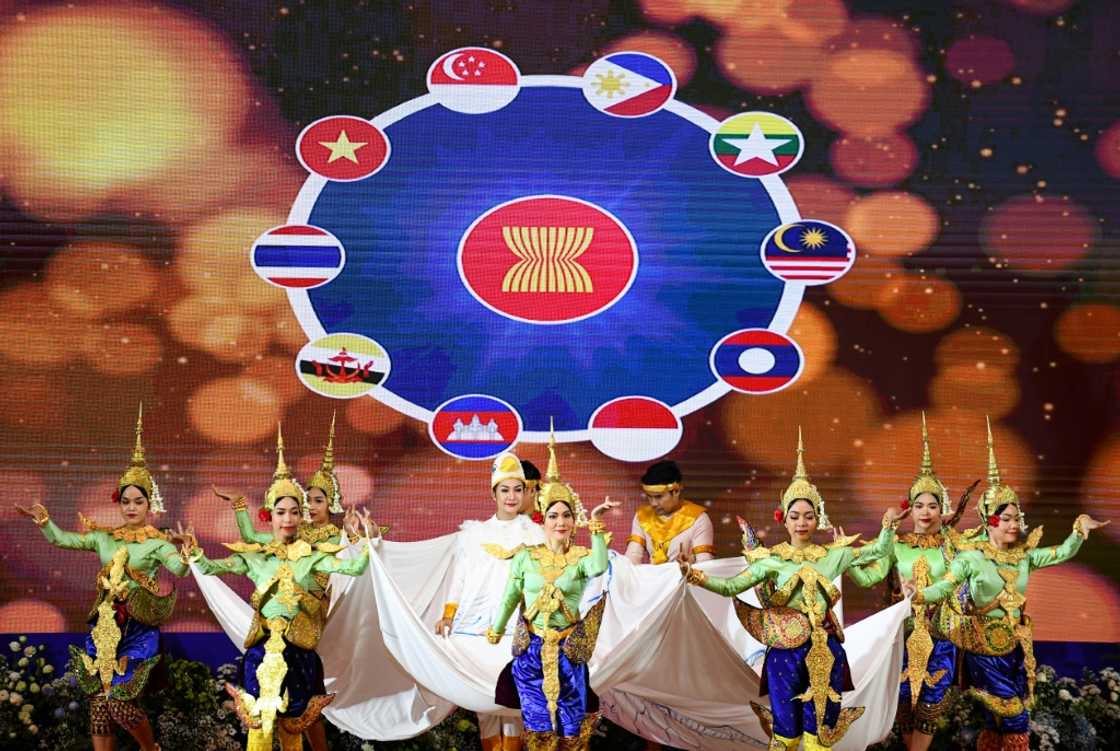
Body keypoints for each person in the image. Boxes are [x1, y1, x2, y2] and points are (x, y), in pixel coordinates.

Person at [679, 428, 909, 751]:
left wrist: (887, 526)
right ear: (783, 519)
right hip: (784, 654)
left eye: (809, 516)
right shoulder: (771, 560)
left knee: (819, 739)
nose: (802, 522)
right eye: (795, 516)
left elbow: (876, 553)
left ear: (818, 519)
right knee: (786, 735)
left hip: (825, 651)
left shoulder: (833, 555)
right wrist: (693, 575)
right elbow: (732, 585)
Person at [902, 419, 1108, 751]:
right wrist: (919, 593)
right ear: (989, 521)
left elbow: (1061, 553)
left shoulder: (1023, 556)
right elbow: (945, 586)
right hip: (980, 649)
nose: (1015, 525)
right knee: (1014, 716)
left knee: (998, 720)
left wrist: (1078, 529)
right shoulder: (971, 558)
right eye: (1007, 519)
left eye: (1017, 518)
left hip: (1012, 647)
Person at [179, 427, 373, 751]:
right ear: (270, 516)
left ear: (301, 516)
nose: (289, 519)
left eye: (295, 512)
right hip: (262, 651)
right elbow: (215, 567)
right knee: (258, 727)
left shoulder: (312, 556)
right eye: (281, 512)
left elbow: (353, 568)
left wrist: (363, 541)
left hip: (298, 651)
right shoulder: (256, 557)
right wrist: (196, 553)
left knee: (291, 729)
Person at [16, 406, 187, 751]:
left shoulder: (157, 542)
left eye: (139, 501)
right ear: (119, 503)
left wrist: (186, 554)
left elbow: (179, 569)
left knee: (120, 701)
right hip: (105, 625)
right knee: (98, 706)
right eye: (126, 501)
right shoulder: (104, 537)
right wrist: (44, 520)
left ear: (150, 504)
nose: (131, 507)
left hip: (137, 629)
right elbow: (62, 540)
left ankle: (149, 748)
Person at [847, 413, 977, 751]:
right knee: (903, 704)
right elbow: (869, 577)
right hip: (901, 635)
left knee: (930, 706)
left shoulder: (954, 546)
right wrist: (845, 560)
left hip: (940, 635)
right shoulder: (898, 544)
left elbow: (958, 581)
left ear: (942, 510)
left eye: (932, 505)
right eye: (918, 504)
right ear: (910, 509)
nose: (925, 511)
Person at [489, 432, 618, 751]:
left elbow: (600, 566)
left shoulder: (582, 558)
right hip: (531, 648)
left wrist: (598, 526)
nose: (560, 522)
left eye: (567, 515)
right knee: (537, 726)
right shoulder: (525, 556)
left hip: (568, 650)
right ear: (543, 519)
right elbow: (510, 596)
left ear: (575, 521)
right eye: (553, 515)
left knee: (571, 727)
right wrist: (496, 628)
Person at [435, 451, 547, 751]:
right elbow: (459, 577)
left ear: (525, 493)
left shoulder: (537, 535)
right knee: (483, 702)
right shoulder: (473, 534)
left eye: (518, 489)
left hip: (518, 628)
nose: (512, 497)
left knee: (513, 700)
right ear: (493, 493)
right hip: (475, 626)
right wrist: (448, 613)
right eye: (505, 489)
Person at [624, 460, 714, 565]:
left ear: (676, 491)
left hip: (684, 579)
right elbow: (633, 556)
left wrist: (691, 562)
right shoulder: (642, 516)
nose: (653, 503)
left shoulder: (698, 519)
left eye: (658, 497)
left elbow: (705, 564)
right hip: (652, 579)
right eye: (649, 496)